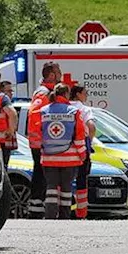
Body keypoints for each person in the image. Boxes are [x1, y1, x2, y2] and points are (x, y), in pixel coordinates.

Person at [38, 83, 88, 219]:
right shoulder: (73, 111)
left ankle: (50, 216)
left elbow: (38, 133)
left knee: (51, 189)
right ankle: (64, 218)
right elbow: (79, 136)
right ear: (66, 94)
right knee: (66, 190)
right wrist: (83, 154)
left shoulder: (43, 111)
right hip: (69, 159)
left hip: (49, 159)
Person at [25, 61, 62, 218]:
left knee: (43, 175)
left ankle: (39, 206)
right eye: (58, 72)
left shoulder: (47, 91)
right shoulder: (43, 93)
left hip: (42, 141)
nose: (61, 74)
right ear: (52, 75)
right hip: (40, 142)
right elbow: (35, 116)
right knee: (41, 175)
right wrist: (44, 136)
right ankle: (36, 208)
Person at [69, 83, 95, 219]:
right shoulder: (84, 109)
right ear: (78, 94)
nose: (86, 95)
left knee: (64, 181)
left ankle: (62, 210)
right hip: (81, 149)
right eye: (85, 92)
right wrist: (88, 141)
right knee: (81, 180)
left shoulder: (65, 107)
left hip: (65, 149)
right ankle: (81, 213)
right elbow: (91, 126)